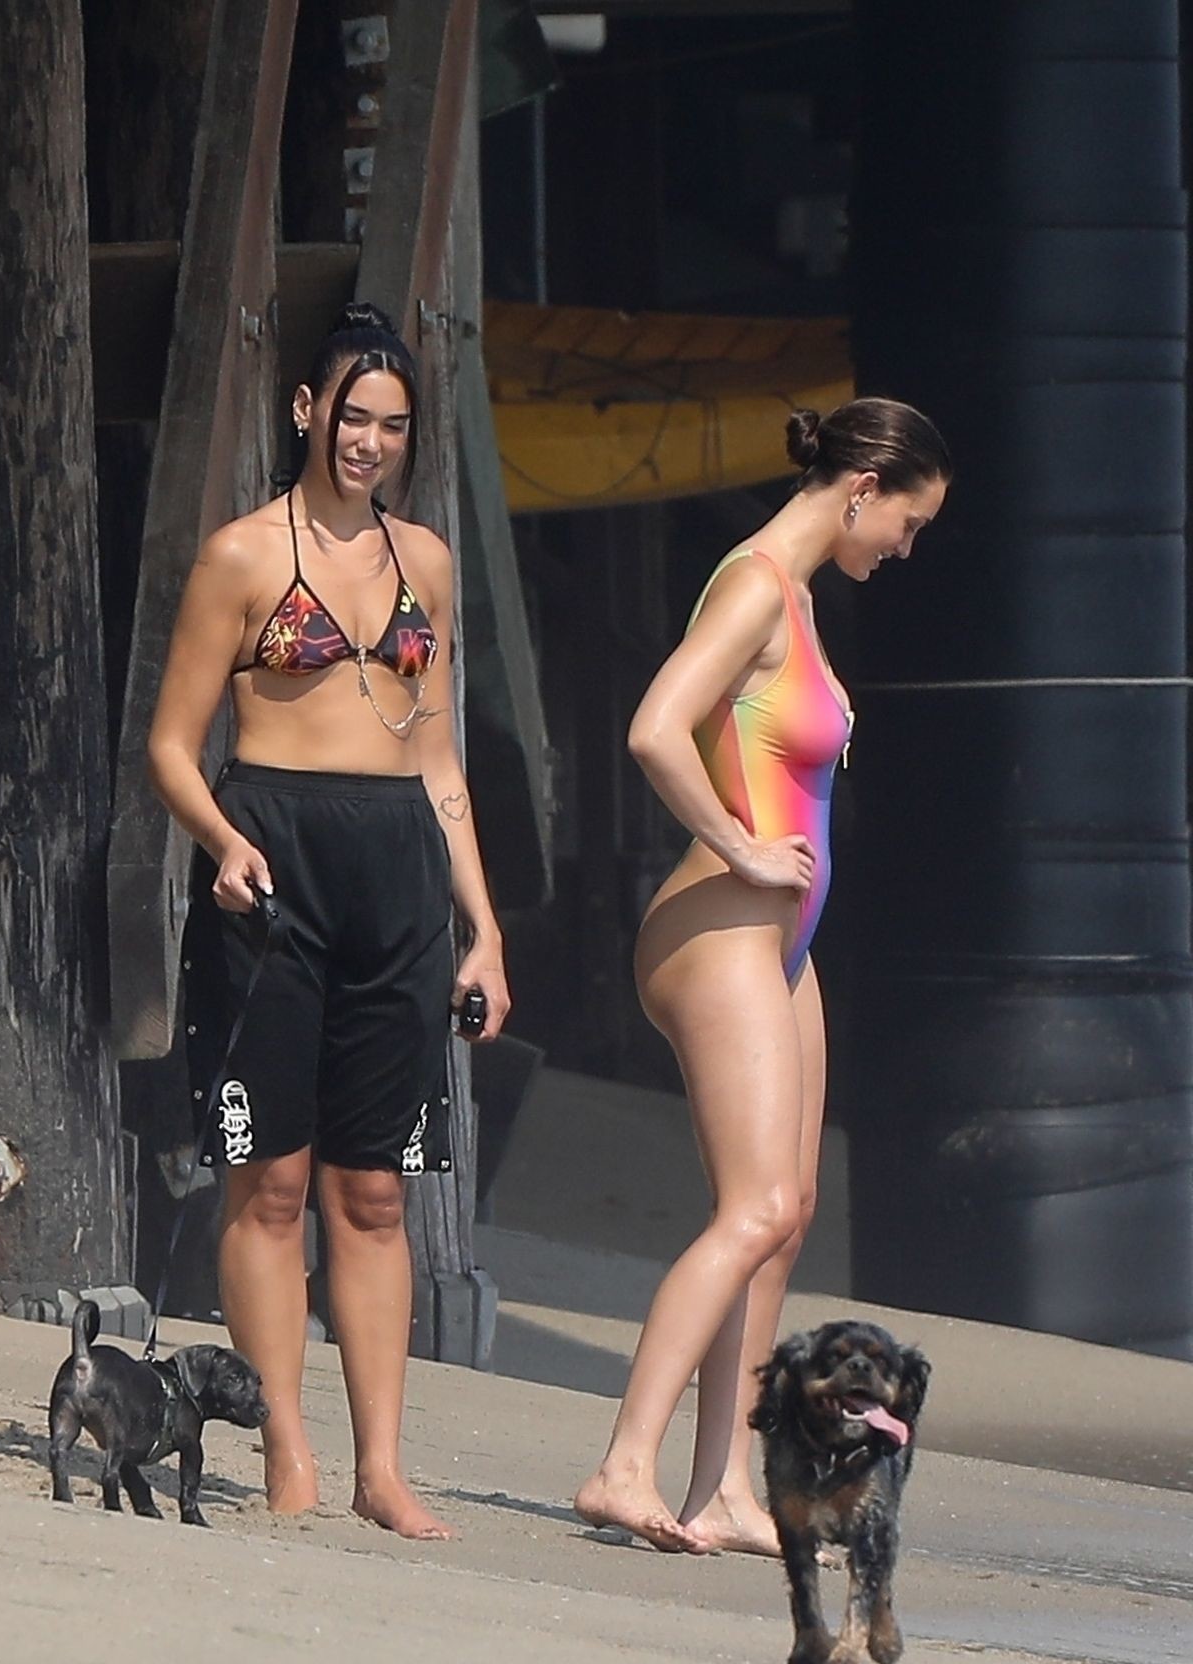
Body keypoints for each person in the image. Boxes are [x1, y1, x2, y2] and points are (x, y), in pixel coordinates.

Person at [148, 303, 509, 1538]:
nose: (368, 442)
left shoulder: (427, 563)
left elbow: (441, 758)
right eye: (351, 417)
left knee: (375, 1192)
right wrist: (224, 841)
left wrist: (483, 925)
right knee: (270, 1181)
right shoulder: (242, 555)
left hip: (398, 868)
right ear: (307, 411)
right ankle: (286, 1453)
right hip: (273, 861)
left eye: (392, 426)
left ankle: (381, 1468)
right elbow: (170, 745)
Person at [574, 397, 951, 1553]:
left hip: (776, 946)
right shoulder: (751, 585)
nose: (905, 548)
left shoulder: (795, 597)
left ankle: (723, 1488)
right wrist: (739, 847)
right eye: (909, 523)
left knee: (786, 1219)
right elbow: (654, 728)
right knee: (752, 1210)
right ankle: (622, 1466)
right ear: (862, 489)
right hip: (718, 930)